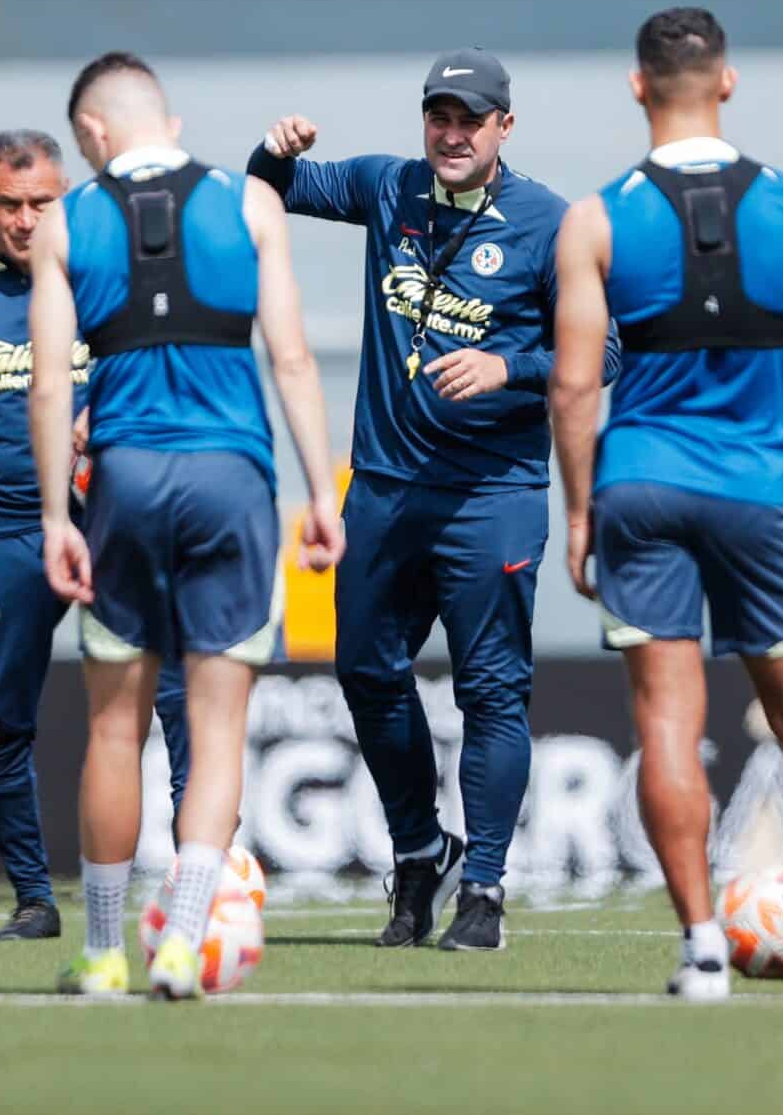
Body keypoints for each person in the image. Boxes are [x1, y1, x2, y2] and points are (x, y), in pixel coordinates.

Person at [550, 7, 783, 1002]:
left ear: (637, 87)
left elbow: (575, 387)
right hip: (758, 495)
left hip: (641, 487)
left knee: (668, 718)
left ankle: (702, 947)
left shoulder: (598, 216)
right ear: (728, 83)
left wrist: (579, 511)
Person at [244, 49, 617, 950]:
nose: (452, 134)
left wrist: (508, 366)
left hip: (493, 494)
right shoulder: (389, 186)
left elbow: (605, 358)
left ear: (505, 127)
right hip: (383, 488)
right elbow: (265, 198)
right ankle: (420, 853)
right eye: (439, 116)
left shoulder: (549, 223)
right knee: (366, 675)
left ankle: (483, 888)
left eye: (471, 119)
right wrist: (270, 153)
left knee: (492, 692)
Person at [28, 52, 344, 1000]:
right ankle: (185, 940)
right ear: (165, 118)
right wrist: (323, 496)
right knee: (216, 734)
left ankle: (102, 951)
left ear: (92, 134)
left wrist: (55, 515)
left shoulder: (67, 222)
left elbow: (49, 384)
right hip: (233, 478)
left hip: (124, 474)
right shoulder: (251, 204)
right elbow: (290, 357)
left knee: (116, 728)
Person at [0, 129, 191, 941]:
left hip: (113, 525)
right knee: (1, 718)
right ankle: (34, 898)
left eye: (42, 203)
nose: (26, 220)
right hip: (1, 537)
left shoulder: (114, 280)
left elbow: (174, 374)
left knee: (173, 701)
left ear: (71, 196)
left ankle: (198, 886)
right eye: (9, 204)